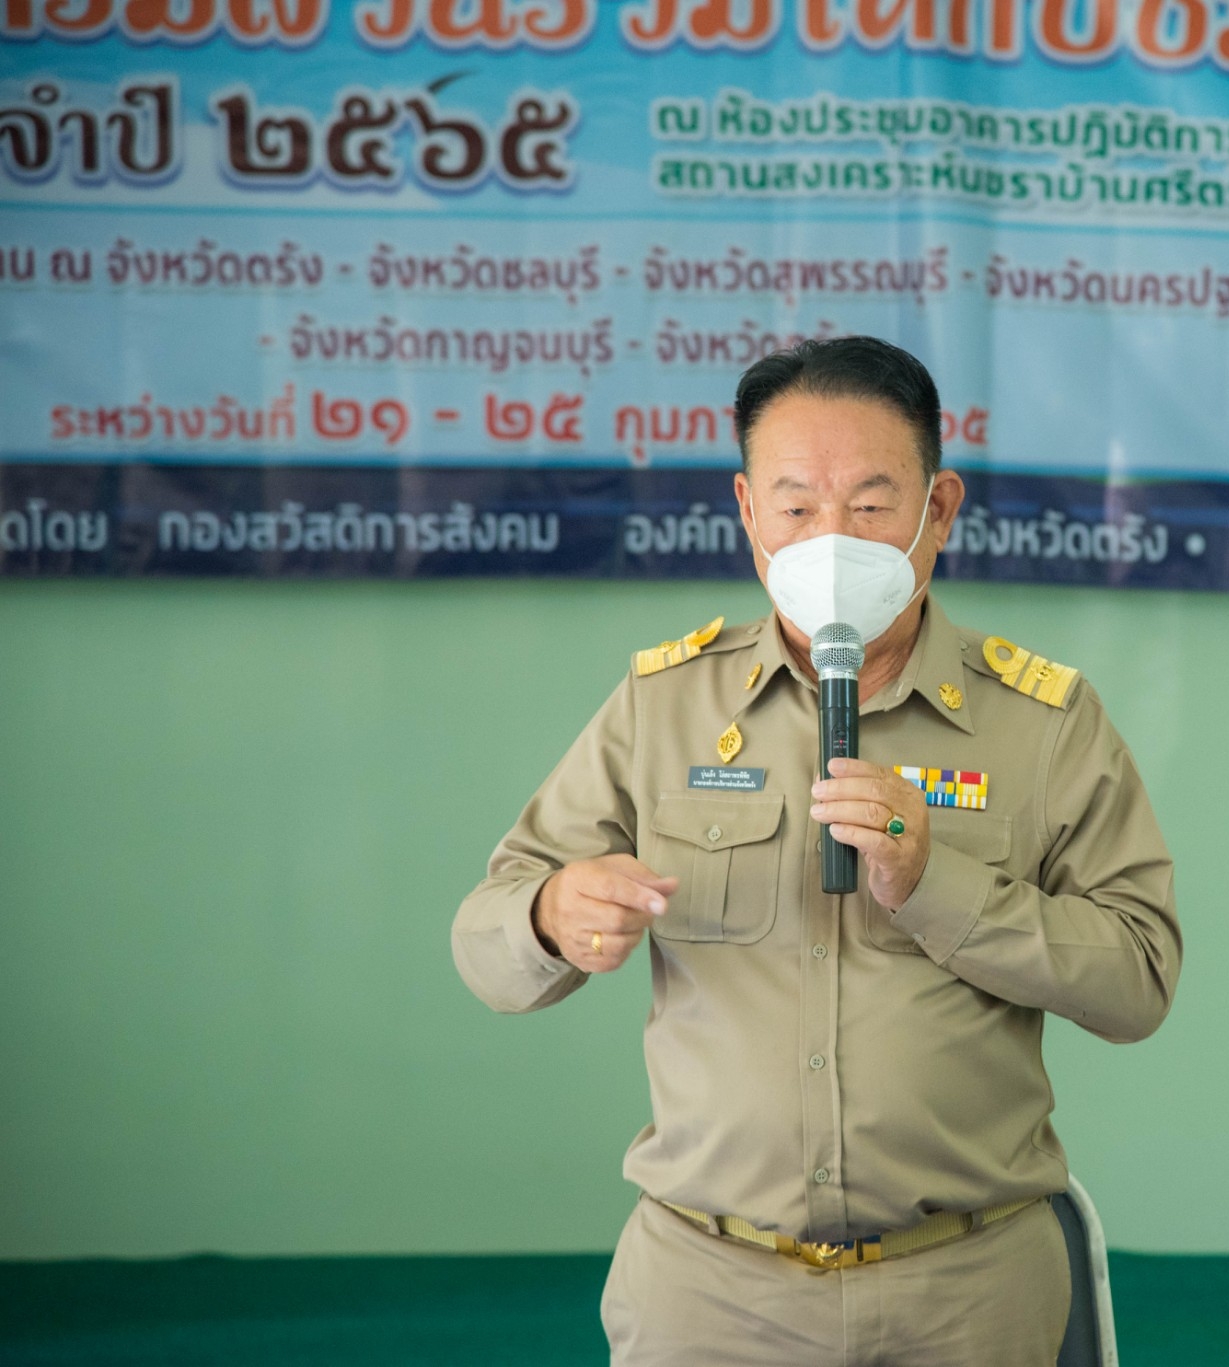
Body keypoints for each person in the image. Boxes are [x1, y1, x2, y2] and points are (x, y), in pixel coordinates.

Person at [451, 335, 1182, 1367]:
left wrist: (936, 883)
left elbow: (1138, 981)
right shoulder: (662, 704)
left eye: (872, 504)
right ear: (748, 512)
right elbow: (484, 944)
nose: (830, 538)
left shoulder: (1044, 720)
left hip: (967, 1288)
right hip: (709, 1289)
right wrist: (547, 914)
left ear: (939, 508)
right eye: (795, 507)